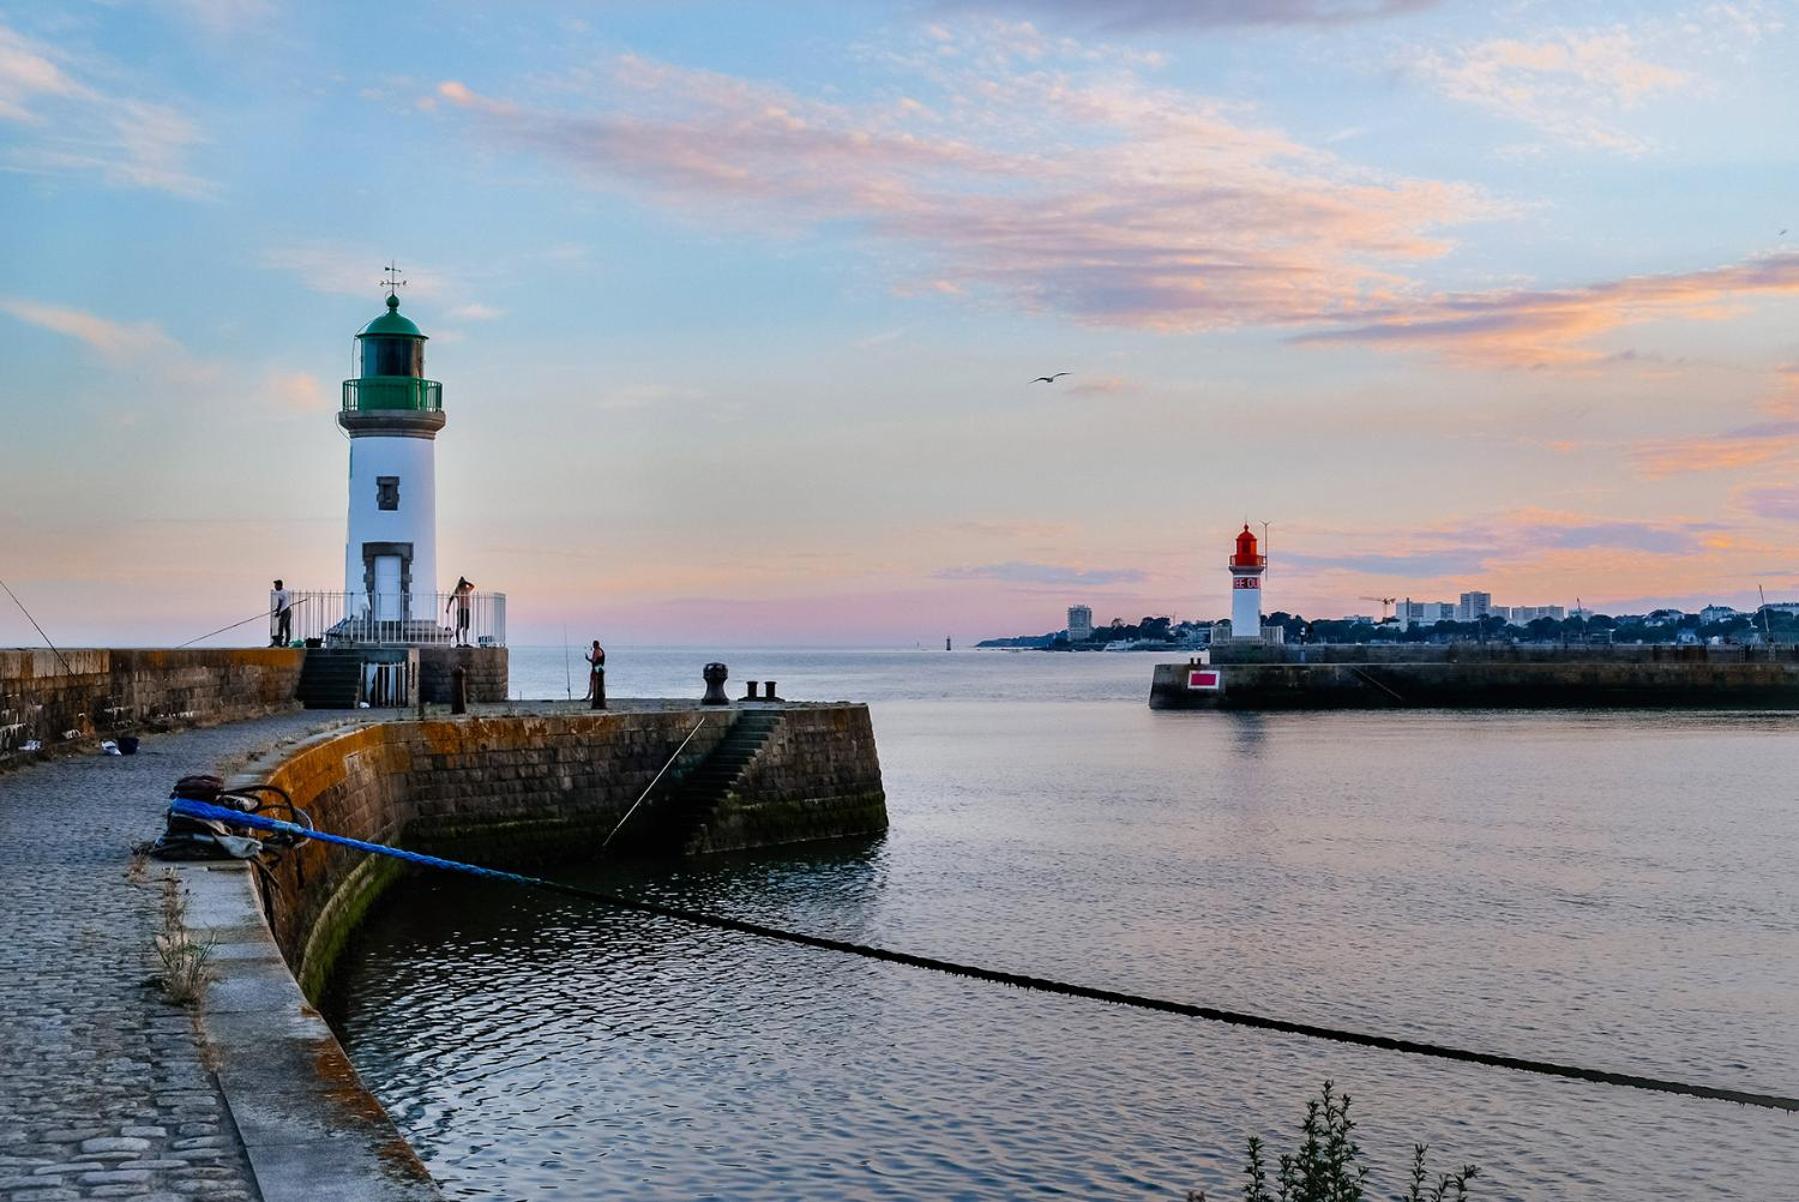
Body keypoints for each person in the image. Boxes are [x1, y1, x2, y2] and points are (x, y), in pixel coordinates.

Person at [445, 577, 474, 646]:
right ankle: (458, 642)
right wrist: (448, 608)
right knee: (459, 626)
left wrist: (466, 582)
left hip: (467, 609)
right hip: (461, 609)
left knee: (466, 627)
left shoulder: (467, 589)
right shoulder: (458, 590)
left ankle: (465, 642)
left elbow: (472, 586)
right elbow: (451, 598)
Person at [585, 640, 606, 709]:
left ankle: (590, 696)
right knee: (598, 683)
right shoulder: (601, 650)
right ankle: (591, 696)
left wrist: (588, 659)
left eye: (593, 645)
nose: (593, 646)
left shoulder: (596, 651)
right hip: (600, 667)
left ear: (595, 645)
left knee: (593, 682)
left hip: (597, 667)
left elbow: (594, 660)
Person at [270, 580, 292, 647]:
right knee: (287, 628)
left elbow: (280, 603)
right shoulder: (285, 591)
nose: (275, 587)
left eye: (276, 585)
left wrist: (278, 612)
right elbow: (282, 603)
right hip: (288, 610)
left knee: (281, 627)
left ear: (280, 585)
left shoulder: (281, 593)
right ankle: (286, 642)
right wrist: (278, 610)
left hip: (284, 611)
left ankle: (280, 643)